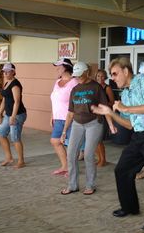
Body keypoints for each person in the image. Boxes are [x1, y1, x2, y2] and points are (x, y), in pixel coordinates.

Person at [91, 57, 144, 232]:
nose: (112, 78)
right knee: (122, 170)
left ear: (126, 71)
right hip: (139, 135)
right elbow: (130, 124)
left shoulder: (143, 81)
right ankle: (130, 207)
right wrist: (110, 112)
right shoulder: (125, 93)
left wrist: (125, 109)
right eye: (111, 74)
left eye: (115, 73)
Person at [60, 62, 115, 196]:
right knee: (71, 154)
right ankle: (72, 185)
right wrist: (64, 131)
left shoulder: (96, 88)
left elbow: (104, 108)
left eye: (79, 75)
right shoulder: (75, 89)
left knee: (89, 154)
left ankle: (90, 185)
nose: (77, 78)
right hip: (77, 124)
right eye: (76, 76)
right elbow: (70, 113)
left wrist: (111, 124)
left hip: (94, 123)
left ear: (86, 72)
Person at [50, 58, 78, 176]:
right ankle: (65, 166)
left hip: (70, 118)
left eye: (59, 66)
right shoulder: (57, 82)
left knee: (72, 146)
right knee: (55, 141)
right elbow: (54, 100)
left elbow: (77, 102)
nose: (57, 68)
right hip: (58, 118)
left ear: (66, 67)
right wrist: (52, 115)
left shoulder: (74, 82)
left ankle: (72, 169)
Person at [0, 63, 27, 169]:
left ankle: (21, 161)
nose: (5, 73)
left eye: (8, 71)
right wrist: (0, 113)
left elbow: (17, 101)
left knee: (15, 138)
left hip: (18, 114)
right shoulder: (6, 83)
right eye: (4, 71)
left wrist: (13, 116)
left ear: (13, 71)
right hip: (8, 114)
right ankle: (9, 157)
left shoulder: (15, 84)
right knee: (1, 134)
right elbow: (4, 100)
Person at [95, 69, 115, 167]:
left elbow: (112, 102)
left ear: (105, 77)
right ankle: (99, 159)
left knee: (98, 139)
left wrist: (103, 104)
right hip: (94, 114)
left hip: (104, 115)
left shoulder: (107, 88)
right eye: (98, 76)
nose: (100, 78)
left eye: (102, 76)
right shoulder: (94, 87)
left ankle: (103, 160)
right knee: (93, 139)